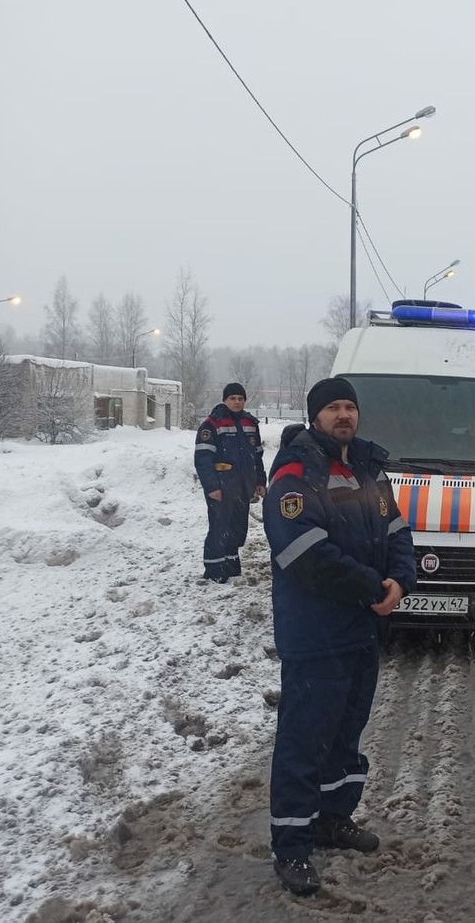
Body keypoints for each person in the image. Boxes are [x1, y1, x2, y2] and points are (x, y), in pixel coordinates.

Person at [262, 377, 417, 897]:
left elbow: (396, 530)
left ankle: (332, 818)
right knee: (305, 741)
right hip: (315, 633)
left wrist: (402, 580)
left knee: (347, 735)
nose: (344, 414)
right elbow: (302, 552)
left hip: (361, 631)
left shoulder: (368, 466)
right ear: (315, 416)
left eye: (350, 406)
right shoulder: (296, 471)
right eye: (333, 407)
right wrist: (373, 587)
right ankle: (291, 846)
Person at [193, 383, 265, 582]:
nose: (237, 402)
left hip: (243, 486)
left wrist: (260, 481)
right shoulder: (212, 424)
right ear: (225, 400)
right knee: (219, 528)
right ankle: (215, 571)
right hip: (222, 486)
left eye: (240, 399)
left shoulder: (250, 423)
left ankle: (231, 567)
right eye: (233, 398)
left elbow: (257, 456)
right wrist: (212, 487)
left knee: (237, 529)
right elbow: (203, 459)